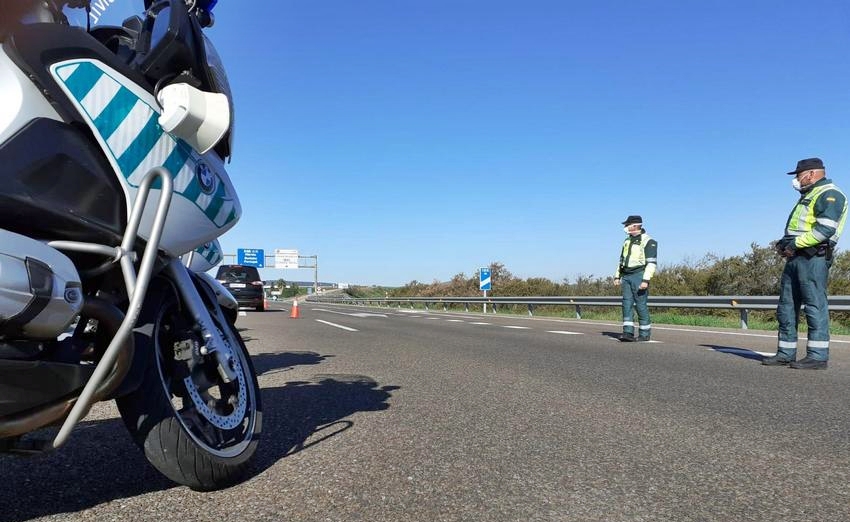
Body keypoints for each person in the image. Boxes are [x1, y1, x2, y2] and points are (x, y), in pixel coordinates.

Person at [762, 158, 848, 369]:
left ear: (810, 174)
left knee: (814, 305)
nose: (797, 180)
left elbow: (825, 230)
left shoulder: (830, 193)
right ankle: (785, 353)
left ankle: (817, 356)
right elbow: (797, 229)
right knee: (786, 306)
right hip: (796, 258)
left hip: (813, 258)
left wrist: (795, 244)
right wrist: (784, 244)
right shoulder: (808, 196)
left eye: (799, 175)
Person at [614, 215, 658, 342]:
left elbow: (651, 263)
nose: (625, 227)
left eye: (627, 225)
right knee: (626, 304)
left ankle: (644, 334)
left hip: (639, 275)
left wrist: (646, 280)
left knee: (640, 304)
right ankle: (628, 332)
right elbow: (622, 260)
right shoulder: (626, 241)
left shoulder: (648, 241)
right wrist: (617, 275)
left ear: (635, 225)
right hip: (626, 276)